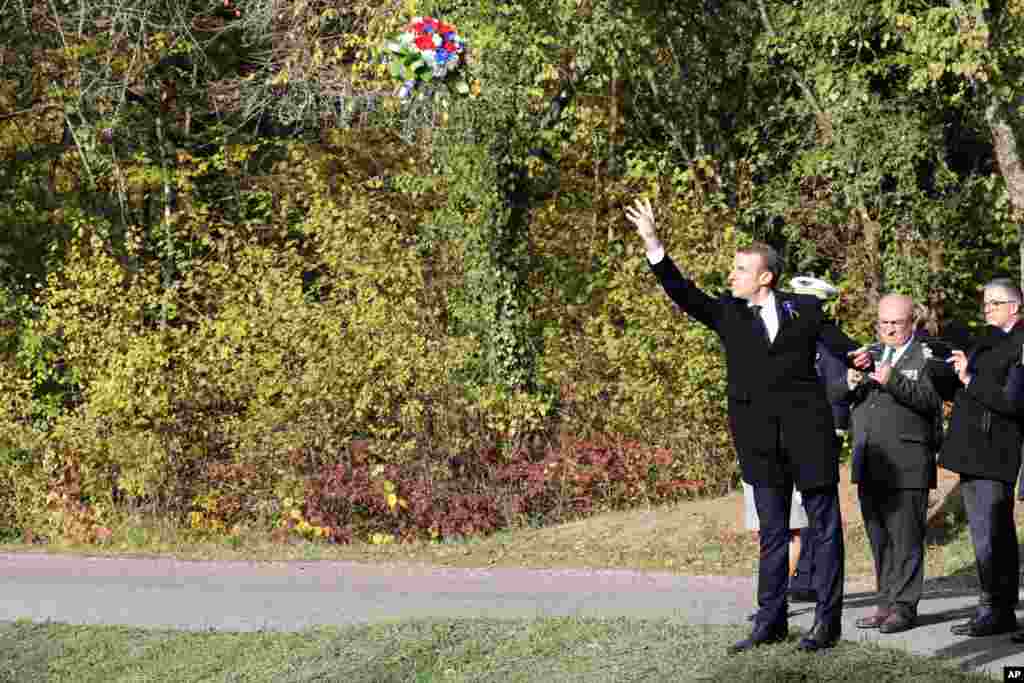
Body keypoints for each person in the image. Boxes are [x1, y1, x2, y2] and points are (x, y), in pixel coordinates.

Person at [625, 198, 870, 654]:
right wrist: (652, 243)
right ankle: (770, 620)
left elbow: (841, 345)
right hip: (759, 442)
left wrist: (860, 355)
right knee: (773, 532)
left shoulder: (806, 309)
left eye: (741, 269)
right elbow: (682, 291)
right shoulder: (726, 312)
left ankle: (826, 623)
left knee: (825, 527)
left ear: (765, 277)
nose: (731, 275)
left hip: (809, 436)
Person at [830, 294, 942, 634]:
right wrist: (848, 383)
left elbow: (931, 401)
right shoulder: (867, 355)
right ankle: (885, 601)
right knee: (879, 537)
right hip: (870, 460)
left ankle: (904, 607)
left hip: (907, 462)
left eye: (896, 323)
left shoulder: (927, 356)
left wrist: (892, 378)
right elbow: (836, 396)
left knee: (905, 538)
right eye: (883, 323)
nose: (889, 329)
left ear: (912, 323)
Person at [742, 275, 850, 610]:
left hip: (812, 439)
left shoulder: (824, 341)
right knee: (781, 524)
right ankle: (791, 588)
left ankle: (809, 584)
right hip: (769, 441)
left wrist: (836, 429)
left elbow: (835, 390)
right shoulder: (767, 332)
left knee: (812, 518)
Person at [936, 278, 1024, 638]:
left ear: (1015, 307)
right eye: (985, 302)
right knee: (988, 533)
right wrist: (948, 371)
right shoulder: (988, 340)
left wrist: (970, 378)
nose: (987, 308)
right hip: (974, 448)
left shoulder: (1018, 344)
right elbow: (967, 389)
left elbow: (1012, 402)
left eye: (995, 303)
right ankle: (995, 607)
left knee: (992, 534)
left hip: (995, 450)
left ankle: (995, 608)